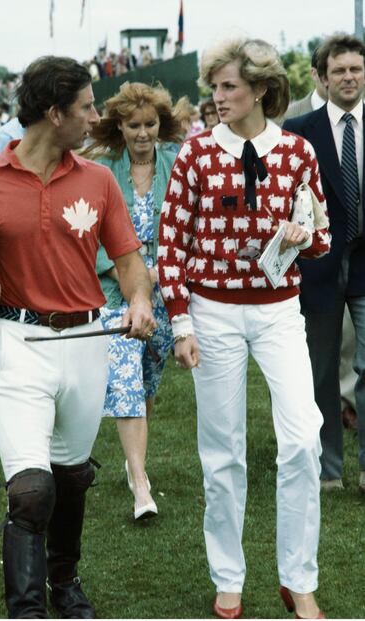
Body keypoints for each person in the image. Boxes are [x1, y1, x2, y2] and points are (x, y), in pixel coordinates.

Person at [0, 55, 156, 619]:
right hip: (20, 346)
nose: (95, 117)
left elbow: (130, 262)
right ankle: (28, 609)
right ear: (54, 112)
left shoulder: (97, 179)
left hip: (89, 342)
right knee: (32, 491)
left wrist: (139, 298)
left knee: (68, 480)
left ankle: (64, 582)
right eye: (86, 107)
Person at [157, 37, 330, 619]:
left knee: (304, 437)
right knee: (223, 450)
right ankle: (227, 578)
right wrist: (180, 321)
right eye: (215, 88)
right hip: (212, 311)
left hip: (281, 309)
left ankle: (298, 578)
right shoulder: (196, 153)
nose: (218, 97)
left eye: (229, 86)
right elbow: (172, 244)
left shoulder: (299, 152)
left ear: (260, 89)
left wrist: (303, 237)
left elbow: (322, 235)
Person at [83, 81, 182, 520]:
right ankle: (141, 484)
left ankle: (132, 456)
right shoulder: (102, 170)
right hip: (112, 289)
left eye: (150, 125)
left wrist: (161, 272)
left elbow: (187, 225)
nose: (143, 134)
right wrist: (128, 272)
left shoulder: (177, 165)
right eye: (133, 125)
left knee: (145, 383)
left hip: (165, 289)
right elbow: (92, 234)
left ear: (161, 124)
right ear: (118, 127)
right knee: (123, 374)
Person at [283, 34, 365, 493]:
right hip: (317, 268)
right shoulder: (299, 131)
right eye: (339, 71)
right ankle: (328, 468)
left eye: (355, 69)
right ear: (322, 77)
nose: (348, 77)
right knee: (321, 371)